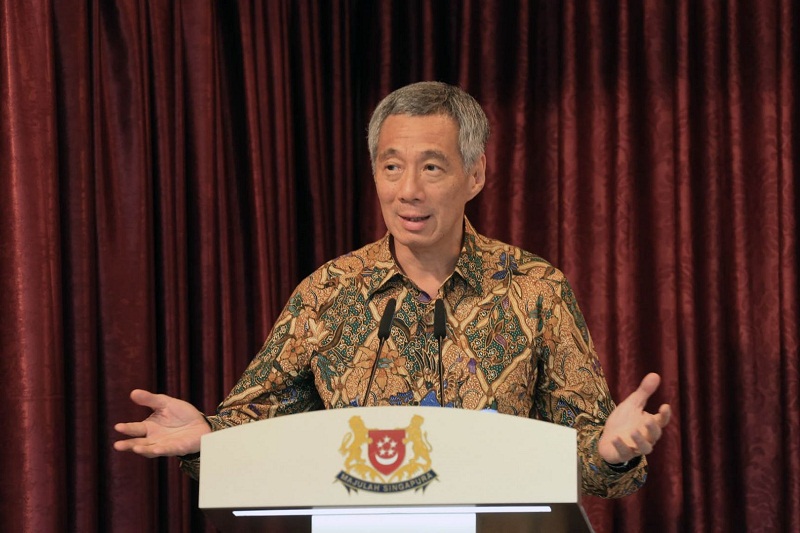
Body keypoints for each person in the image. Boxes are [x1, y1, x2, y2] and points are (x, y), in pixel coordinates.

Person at [114, 81, 671, 498]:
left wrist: (610, 452)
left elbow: (590, 459)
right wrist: (207, 435)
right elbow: (257, 429)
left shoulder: (533, 288)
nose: (408, 191)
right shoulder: (329, 292)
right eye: (391, 167)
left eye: (432, 167)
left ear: (474, 176)